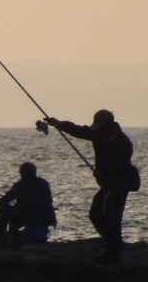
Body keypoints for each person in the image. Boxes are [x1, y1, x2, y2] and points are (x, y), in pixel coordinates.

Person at [45, 109, 137, 263]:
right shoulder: (111, 134)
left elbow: (81, 131)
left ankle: (113, 252)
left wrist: (59, 124)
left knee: (110, 217)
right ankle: (113, 245)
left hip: (116, 185)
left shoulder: (109, 135)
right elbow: (84, 132)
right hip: (111, 185)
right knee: (98, 214)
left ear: (104, 123)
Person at [0, 162, 56, 247]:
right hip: (46, 220)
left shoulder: (21, 184)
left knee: (5, 208)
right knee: (14, 209)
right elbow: (10, 196)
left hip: (33, 218)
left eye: (22, 173)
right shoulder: (44, 183)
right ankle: (11, 236)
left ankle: (1, 237)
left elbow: (8, 197)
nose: (21, 176)